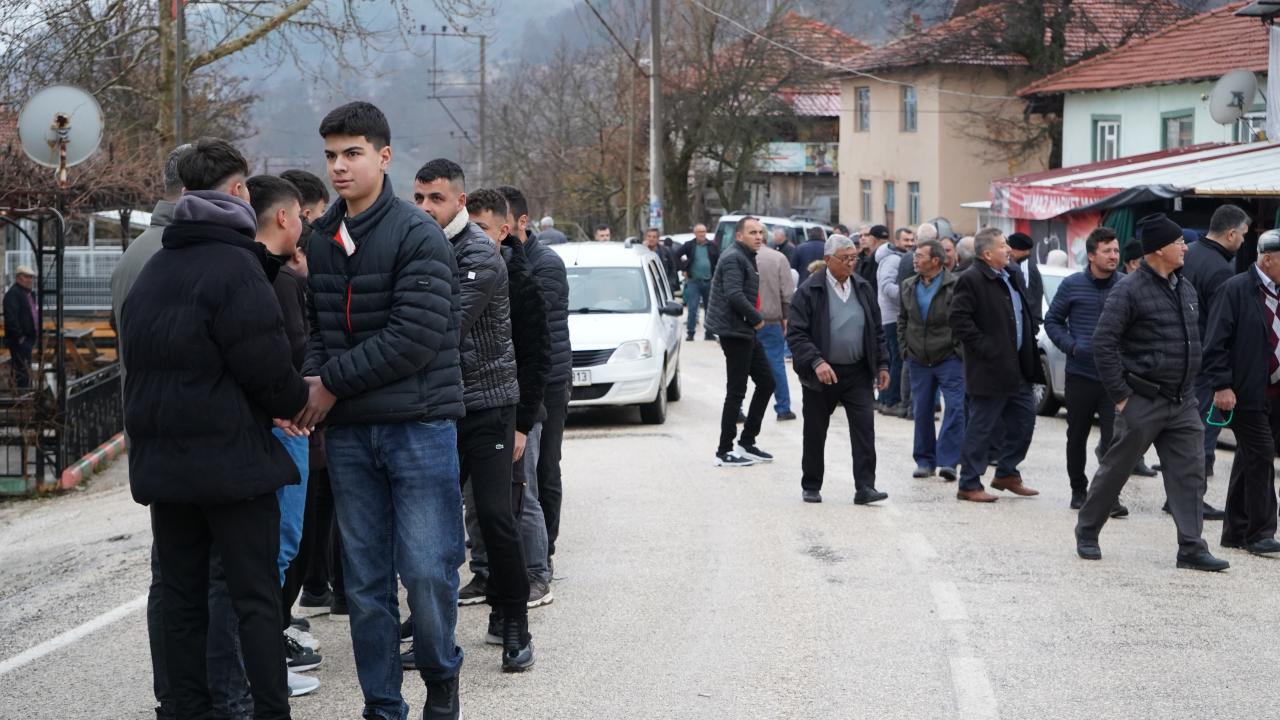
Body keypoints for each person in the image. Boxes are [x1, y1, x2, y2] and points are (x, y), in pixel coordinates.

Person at [122, 137, 308, 720]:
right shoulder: (236, 268)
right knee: (255, 599)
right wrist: (291, 403)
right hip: (232, 469)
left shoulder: (157, 266)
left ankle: (183, 709)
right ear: (238, 192)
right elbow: (271, 373)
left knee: (179, 596)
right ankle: (270, 710)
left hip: (165, 468)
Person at [302, 103, 466, 719]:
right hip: (349, 436)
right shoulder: (322, 239)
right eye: (331, 155)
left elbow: (415, 338)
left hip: (418, 427)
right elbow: (318, 330)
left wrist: (329, 385)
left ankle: (441, 680)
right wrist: (315, 378)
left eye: (352, 153)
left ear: (384, 157)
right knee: (366, 586)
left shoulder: (417, 233)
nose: (339, 167)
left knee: (426, 572)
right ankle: (382, 706)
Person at [412, 159, 533, 672]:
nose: (424, 208)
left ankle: (515, 624)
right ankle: (429, 625)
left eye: (435, 199)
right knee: (431, 522)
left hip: (487, 405)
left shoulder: (480, 255)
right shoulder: (419, 247)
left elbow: (440, 328)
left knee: (494, 516)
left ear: (459, 202)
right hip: (439, 406)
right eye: (417, 198)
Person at [1075, 213, 1227, 572]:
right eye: (1179, 243)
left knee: (1190, 474)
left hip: (1182, 400)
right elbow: (1104, 342)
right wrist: (1121, 396)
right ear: (1159, 249)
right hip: (1143, 398)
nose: (1185, 247)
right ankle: (1087, 529)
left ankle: (1191, 547)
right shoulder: (1128, 289)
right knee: (1117, 469)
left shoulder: (1184, 286)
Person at [246, 174, 326, 680]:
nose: (304, 226)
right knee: (276, 548)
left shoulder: (267, 275)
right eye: (300, 216)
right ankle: (263, 666)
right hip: (284, 426)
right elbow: (282, 357)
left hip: (275, 425)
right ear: (282, 217)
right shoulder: (266, 279)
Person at [460, 188, 554, 610]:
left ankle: (535, 573)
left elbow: (536, 359)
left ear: (503, 229)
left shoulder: (523, 280)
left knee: (522, 495)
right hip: (475, 407)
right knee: (477, 501)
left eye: (480, 228)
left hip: (515, 408)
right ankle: (484, 573)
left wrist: (521, 422)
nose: (473, 236)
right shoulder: (463, 272)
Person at [500, 186, 571, 585]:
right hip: (518, 376)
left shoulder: (545, 264)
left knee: (545, 468)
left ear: (521, 222)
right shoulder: (507, 258)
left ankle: (545, 552)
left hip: (550, 379)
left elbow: (528, 324)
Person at [788, 234, 890, 504]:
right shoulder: (810, 291)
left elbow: (876, 331)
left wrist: (882, 364)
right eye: (845, 259)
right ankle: (811, 484)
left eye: (854, 258)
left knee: (864, 429)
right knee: (815, 430)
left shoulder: (863, 287)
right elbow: (797, 335)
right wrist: (817, 361)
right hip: (822, 373)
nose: (850, 264)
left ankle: (865, 486)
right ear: (827, 260)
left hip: (857, 372)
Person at [1202, 229, 1280, 556]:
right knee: (1262, 456)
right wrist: (1221, 384)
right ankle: (1260, 533)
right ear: (1269, 259)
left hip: (1274, 392)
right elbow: (1215, 343)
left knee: (1249, 457)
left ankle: (1235, 530)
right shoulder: (1236, 289)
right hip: (1245, 391)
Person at [950, 228, 1042, 503]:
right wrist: (987, 348)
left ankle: (1006, 473)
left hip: (1017, 366)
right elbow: (959, 320)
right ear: (987, 253)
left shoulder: (1011, 274)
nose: (1008, 250)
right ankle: (968, 483)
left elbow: (1022, 311)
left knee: (1025, 421)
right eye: (1003, 246)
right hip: (989, 369)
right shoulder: (971, 279)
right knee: (982, 427)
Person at [1043, 228, 1130, 513]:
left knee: (1114, 441)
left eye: (1116, 251)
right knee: (1077, 435)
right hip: (1080, 374)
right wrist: (1072, 346)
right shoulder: (1072, 285)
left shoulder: (1126, 285)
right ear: (1091, 255)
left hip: (1114, 379)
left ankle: (1108, 496)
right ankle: (1078, 490)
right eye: (1107, 251)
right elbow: (1053, 321)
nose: (1113, 256)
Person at [1181, 204, 1249, 486]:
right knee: (1203, 433)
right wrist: (1223, 378)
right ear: (1231, 233)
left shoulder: (1189, 254)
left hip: (1182, 358)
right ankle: (1192, 498)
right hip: (1206, 367)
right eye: (1244, 234)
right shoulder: (1221, 271)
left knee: (1185, 432)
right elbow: (1220, 329)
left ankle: (1180, 495)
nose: (1245, 241)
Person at [706, 216, 777, 467]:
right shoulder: (734, 257)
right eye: (752, 232)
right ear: (739, 236)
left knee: (767, 382)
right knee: (736, 391)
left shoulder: (746, 255)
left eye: (760, 232)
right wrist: (756, 318)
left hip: (744, 330)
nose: (759, 236)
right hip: (735, 331)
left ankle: (747, 442)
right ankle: (724, 450)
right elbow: (734, 293)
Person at [898, 239, 963, 481]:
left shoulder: (955, 285)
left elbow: (963, 319)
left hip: (949, 358)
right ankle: (924, 461)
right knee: (922, 410)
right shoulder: (908, 285)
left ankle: (948, 462)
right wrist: (905, 348)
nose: (915, 259)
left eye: (920, 255)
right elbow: (902, 320)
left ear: (935, 260)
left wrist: (959, 350)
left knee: (955, 408)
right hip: (918, 359)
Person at [756, 236, 797, 421]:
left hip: (744, 321)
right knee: (776, 365)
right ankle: (783, 408)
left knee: (739, 368)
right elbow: (787, 292)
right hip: (771, 319)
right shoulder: (778, 258)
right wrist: (787, 318)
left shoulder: (735, 256)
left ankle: (738, 409)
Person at [875, 226, 914, 415]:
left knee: (890, 361)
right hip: (892, 317)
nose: (910, 243)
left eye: (911, 240)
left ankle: (885, 401)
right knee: (895, 362)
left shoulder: (894, 257)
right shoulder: (892, 260)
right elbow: (886, 287)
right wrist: (909, 296)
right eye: (905, 240)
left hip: (891, 316)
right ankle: (890, 401)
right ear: (896, 241)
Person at [675, 223, 719, 341]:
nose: (702, 234)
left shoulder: (712, 246)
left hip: (709, 282)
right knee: (692, 308)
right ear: (695, 233)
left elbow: (719, 261)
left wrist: (716, 276)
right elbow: (676, 255)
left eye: (704, 232)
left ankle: (709, 333)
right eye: (699, 232)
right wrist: (684, 268)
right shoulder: (689, 245)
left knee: (709, 309)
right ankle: (690, 333)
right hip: (693, 281)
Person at [4, 266, 37, 389]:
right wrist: (20, 337)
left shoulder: (28, 294)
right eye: (26, 277)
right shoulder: (13, 294)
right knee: (22, 370)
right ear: (18, 278)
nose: (29, 280)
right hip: (19, 340)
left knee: (22, 368)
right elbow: (11, 318)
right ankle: (23, 398)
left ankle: (19, 394)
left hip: (28, 338)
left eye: (31, 277)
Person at [1006, 232, 1044, 325]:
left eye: (1011, 249)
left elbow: (1026, 298)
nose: (1008, 252)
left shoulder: (1025, 267)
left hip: (1026, 323)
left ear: (1021, 250)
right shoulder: (1022, 264)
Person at [855, 225, 887, 290]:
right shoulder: (857, 259)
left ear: (874, 238)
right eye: (860, 236)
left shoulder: (882, 258)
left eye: (866, 235)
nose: (862, 238)